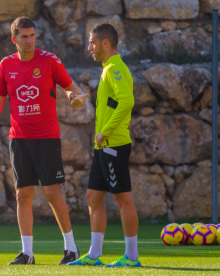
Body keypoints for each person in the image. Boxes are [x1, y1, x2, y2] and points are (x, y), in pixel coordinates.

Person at [0, 16, 89, 265]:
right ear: (14, 39)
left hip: (46, 136)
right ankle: (27, 254)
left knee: (51, 193)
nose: (29, 41)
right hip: (19, 138)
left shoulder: (49, 60)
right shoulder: (6, 64)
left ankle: (71, 249)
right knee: (22, 195)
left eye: (32, 35)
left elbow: (69, 86)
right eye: (24, 37)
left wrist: (73, 96)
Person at [68, 23, 141, 267]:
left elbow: (127, 101)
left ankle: (132, 257)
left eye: (92, 42)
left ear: (105, 43)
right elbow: (114, 102)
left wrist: (105, 132)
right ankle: (94, 255)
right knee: (92, 197)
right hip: (104, 147)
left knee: (122, 200)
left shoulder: (115, 68)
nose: (89, 47)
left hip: (113, 144)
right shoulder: (108, 68)